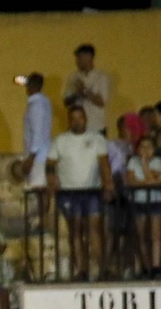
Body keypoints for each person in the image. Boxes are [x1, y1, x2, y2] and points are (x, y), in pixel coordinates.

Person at [46, 105, 114, 281]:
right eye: (73, 118)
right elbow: (51, 163)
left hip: (92, 190)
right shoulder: (60, 140)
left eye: (80, 117)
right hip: (69, 192)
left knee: (95, 230)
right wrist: (52, 179)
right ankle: (81, 270)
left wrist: (108, 185)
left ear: (86, 119)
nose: (77, 121)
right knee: (75, 231)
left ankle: (102, 268)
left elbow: (104, 164)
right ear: (69, 120)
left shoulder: (97, 139)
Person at [125, 135, 161, 277]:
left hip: (155, 200)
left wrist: (144, 164)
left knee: (155, 235)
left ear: (154, 149)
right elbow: (131, 181)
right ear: (137, 149)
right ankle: (146, 266)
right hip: (138, 201)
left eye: (149, 146)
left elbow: (153, 179)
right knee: (141, 235)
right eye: (142, 146)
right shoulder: (132, 161)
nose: (145, 149)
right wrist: (148, 182)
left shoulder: (158, 161)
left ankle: (156, 266)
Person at [19, 73, 53, 216]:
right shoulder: (44, 102)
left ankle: (43, 221)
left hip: (38, 156)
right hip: (42, 153)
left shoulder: (36, 105)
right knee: (41, 190)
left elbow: (37, 132)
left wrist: (31, 157)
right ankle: (42, 219)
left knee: (41, 190)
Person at [63, 44, 110, 135]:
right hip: (77, 127)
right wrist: (76, 94)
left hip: (96, 126)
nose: (77, 62)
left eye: (79, 58)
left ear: (89, 57)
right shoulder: (73, 77)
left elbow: (102, 102)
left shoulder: (101, 77)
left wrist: (84, 91)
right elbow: (66, 102)